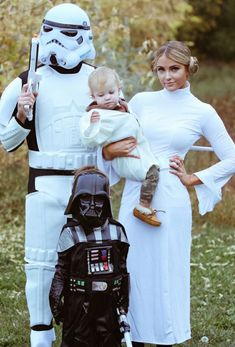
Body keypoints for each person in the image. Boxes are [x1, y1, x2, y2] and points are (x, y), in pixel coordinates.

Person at [99, 41, 235, 346]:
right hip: (136, 192)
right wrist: (110, 154)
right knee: (131, 266)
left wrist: (193, 178)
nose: (167, 76)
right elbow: (120, 139)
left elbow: (232, 157)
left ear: (189, 68)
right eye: (160, 69)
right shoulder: (142, 101)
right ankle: (130, 335)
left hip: (171, 198)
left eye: (174, 68)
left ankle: (164, 336)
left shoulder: (201, 110)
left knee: (165, 268)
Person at [0, 3, 97, 346]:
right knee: (39, 264)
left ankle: (84, 330)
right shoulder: (25, 82)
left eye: (72, 34)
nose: (62, 42)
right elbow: (7, 141)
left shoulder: (98, 80)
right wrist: (23, 115)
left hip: (89, 184)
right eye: (56, 32)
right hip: (44, 183)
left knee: (90, 259)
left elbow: (119, 135)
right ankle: (40, 333)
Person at [49, 166, 130, 347]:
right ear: (76, 198)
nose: (92, 205)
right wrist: (56, 299)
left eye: (98, 199)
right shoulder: (70, 233)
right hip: (78, 304)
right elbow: (61, 269)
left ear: (106, 200)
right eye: (85, 198)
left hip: (109, 303)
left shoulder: (117, 231)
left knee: (110, 340)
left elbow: (123, 270)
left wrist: (124, 301)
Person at [79, 66, 161, 227]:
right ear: (93, 96)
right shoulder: (97, 115)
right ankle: (143, 207)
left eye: (111, 92)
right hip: (124, 157)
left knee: (153, 169)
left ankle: (143, 205)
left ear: (119, 89)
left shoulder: (124, 107)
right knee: (152, 172)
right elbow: (89, 139)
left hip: (136, 151)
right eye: (101, 95)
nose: (108, 98)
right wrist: (94, 125)